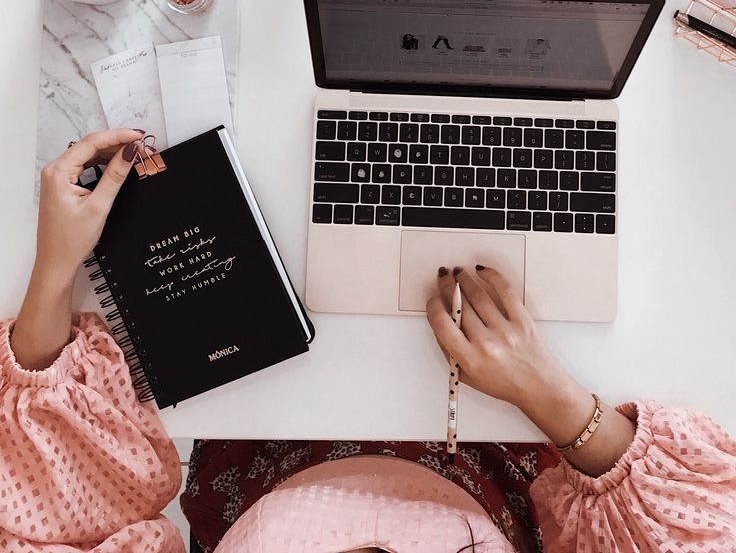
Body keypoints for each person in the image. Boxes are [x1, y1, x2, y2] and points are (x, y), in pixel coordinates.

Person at [1, 130, 735, 552]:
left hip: (255, 433)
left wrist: (57, 269)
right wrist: (553, 398)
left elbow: (48, 506)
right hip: (501, 439)